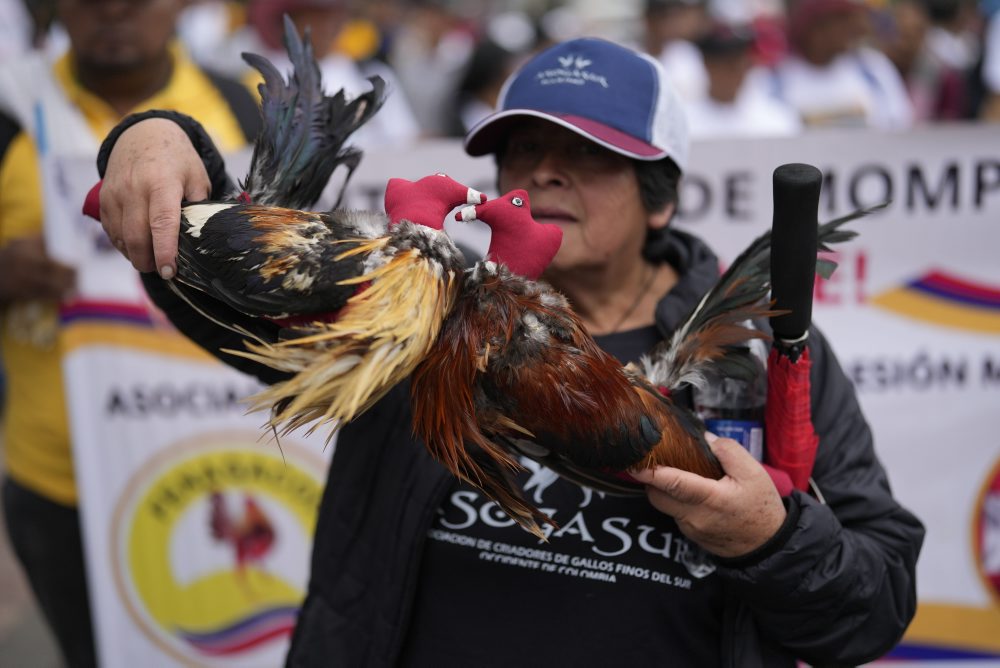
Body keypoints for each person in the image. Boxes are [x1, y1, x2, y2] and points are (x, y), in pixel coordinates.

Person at [94, 37, 925, 666]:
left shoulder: (759, 356)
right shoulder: (419, 310)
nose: (546, 173)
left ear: (660, 200)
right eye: (524, 150)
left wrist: (771, 542)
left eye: (591, 156)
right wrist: (157, 143)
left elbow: (874, 602)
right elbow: (225, 296)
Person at [0, 1, 261, 665]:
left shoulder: (245, 108)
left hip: (227, 467)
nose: (113, 8)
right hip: (58, 485)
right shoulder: (9, 108)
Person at [769, 0, 915, 129]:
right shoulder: (775, 78)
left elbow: (900, 123)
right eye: (842, 18)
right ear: (816, 25)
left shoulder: (873, 68)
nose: (854, 25)